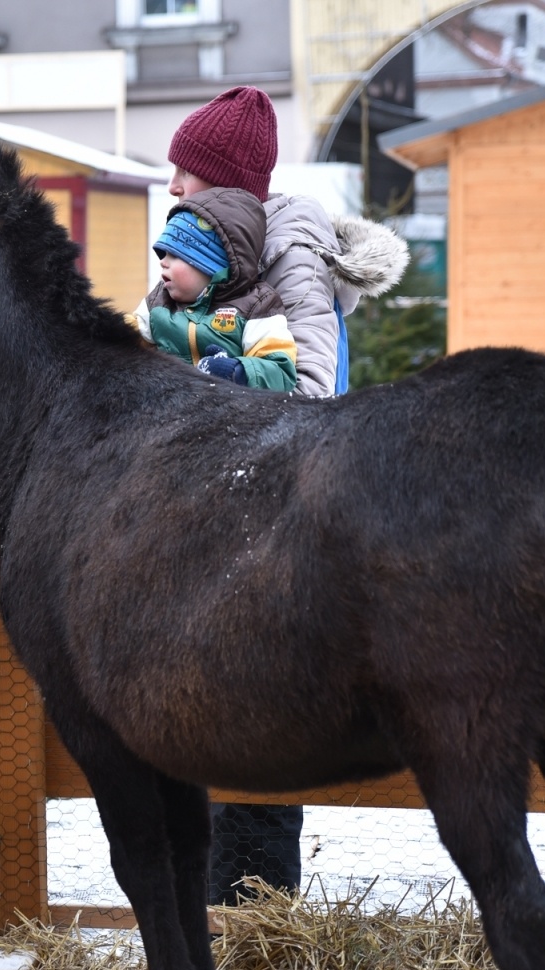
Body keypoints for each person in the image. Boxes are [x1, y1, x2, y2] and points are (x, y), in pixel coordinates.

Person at [157, 85, 408, 904]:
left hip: (275, 534)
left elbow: (312, 396)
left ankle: (258, 928)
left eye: (184, 175)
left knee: (253, 729)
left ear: (224, 183)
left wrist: (215, 380)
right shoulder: (212, 249)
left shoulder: (291, 255)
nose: (171, 188)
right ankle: (211, 930)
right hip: (216, 523)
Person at [131, 189, 298, 392]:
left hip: (228, 412)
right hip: (169, 409)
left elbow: (281, 371)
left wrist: (237, 372)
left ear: (211, 265)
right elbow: (123, 336)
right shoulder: (159, 302)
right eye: (164, 254)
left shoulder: (256, 306)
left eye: (175, 255)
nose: (163, 263)